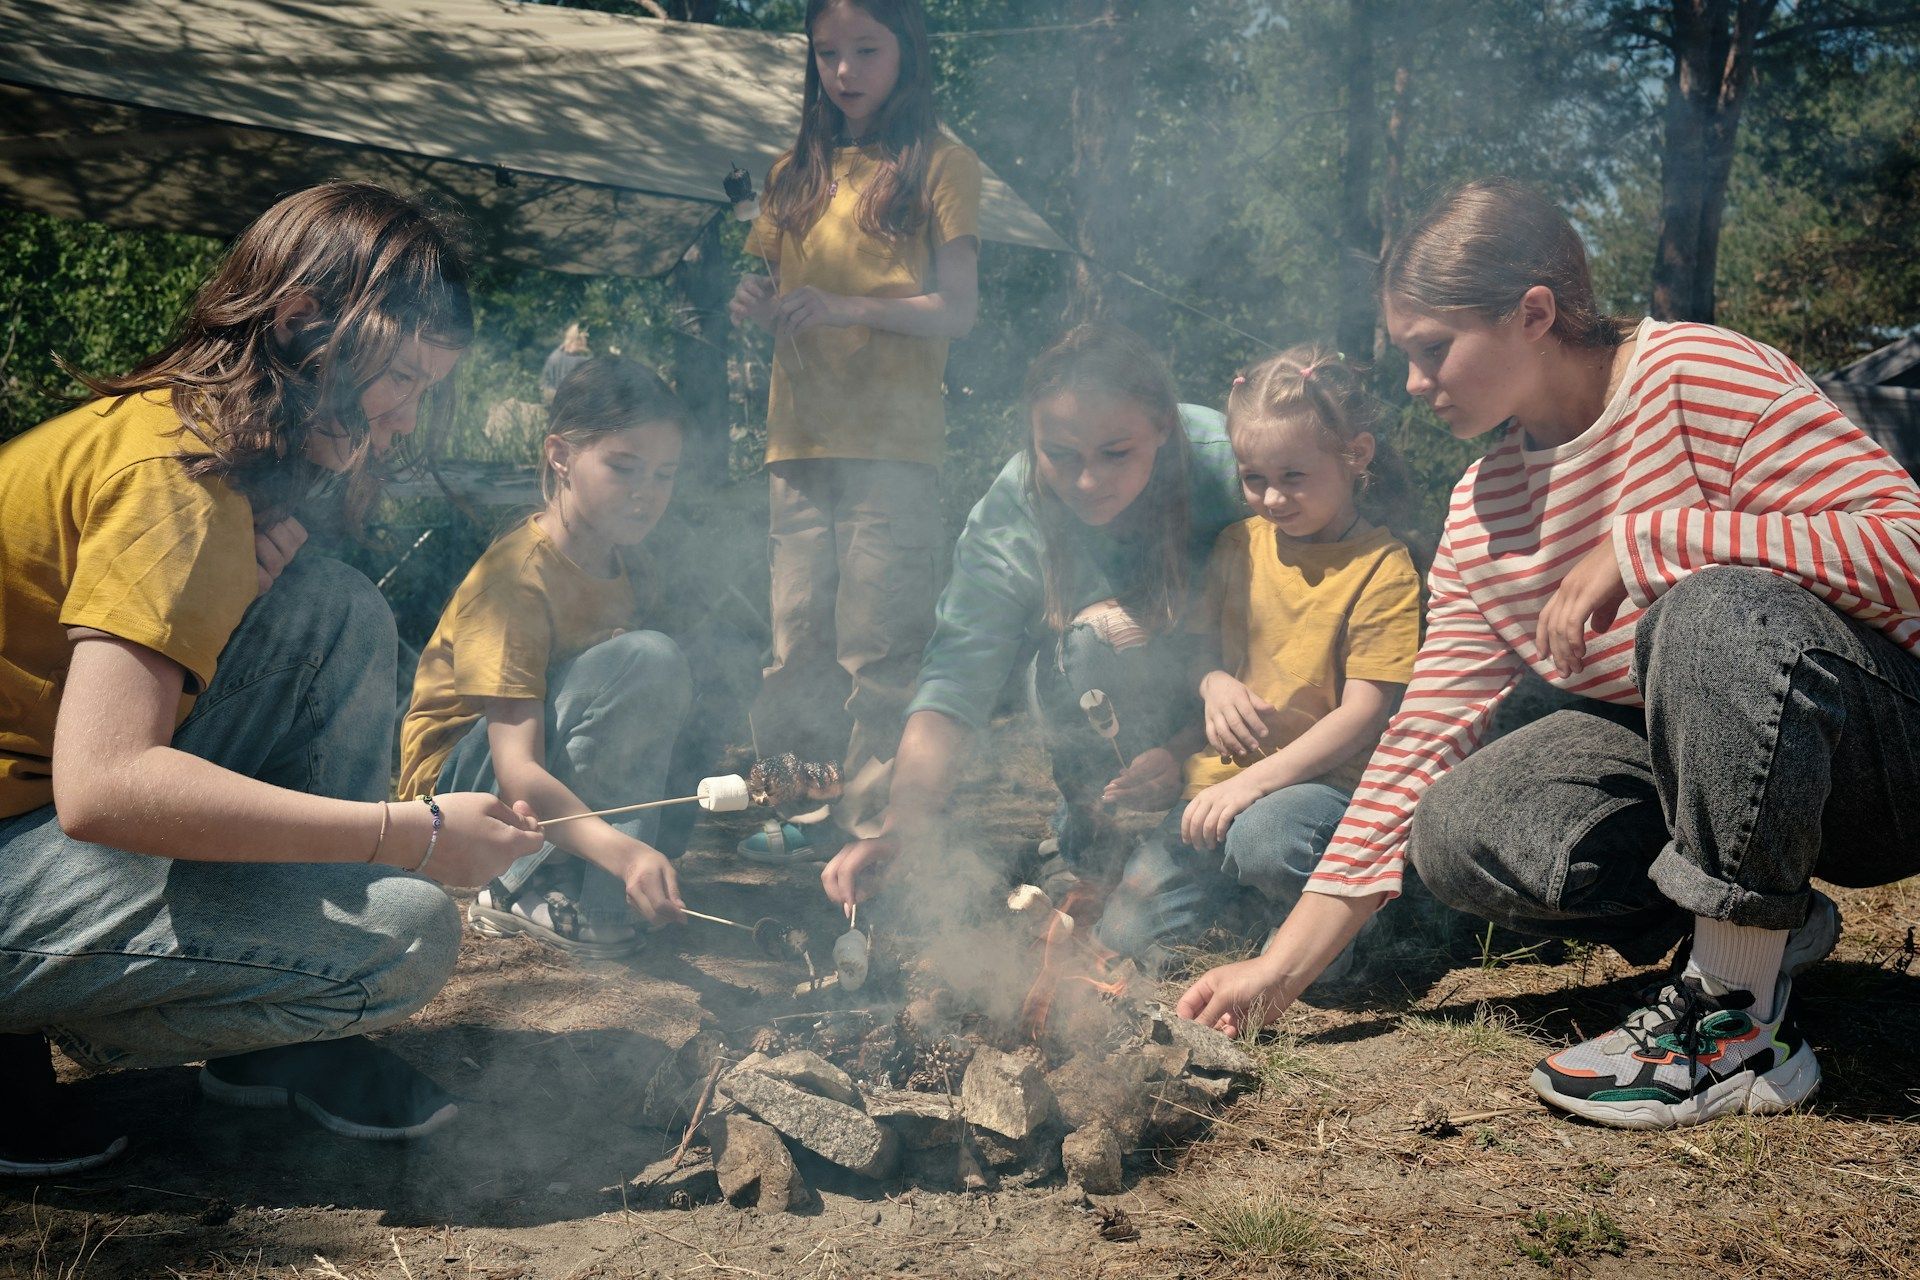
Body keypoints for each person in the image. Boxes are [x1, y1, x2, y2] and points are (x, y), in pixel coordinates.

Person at [1178, 177, 1920, 1131]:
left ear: (1533, 313)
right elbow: (1418, 741)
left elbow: (1905, 543)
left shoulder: (1695, 375)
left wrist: (1655, 540)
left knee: (1708, 610)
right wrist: (1276, 975)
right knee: (1458, 821)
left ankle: (1738, 1024)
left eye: (1431, 350)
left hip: (1881, 757)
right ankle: (1763, 925)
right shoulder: (1485, 511)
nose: (1413, 382)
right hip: (1723, 785)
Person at [0, 182, 547, 1177]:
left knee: (332, 612)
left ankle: (281, 1053)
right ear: (301, 321)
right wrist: (411, 833)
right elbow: (104, 785)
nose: (406, 421)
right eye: (401, 381)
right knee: (403, 934)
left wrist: (234, 597)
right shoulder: (175, 480)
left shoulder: (191, 446)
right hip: (24, 842)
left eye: (429, 392)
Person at [820, 323, 1247, 911]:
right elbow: (954, 685)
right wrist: (901, 831)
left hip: (1251, 701)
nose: (1089, 481)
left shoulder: (1237, 464)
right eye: (1061, 456)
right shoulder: (1009, 514)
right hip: (1117, 711)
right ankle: (1094, 840)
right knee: (1088, 641)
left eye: (1115, 453)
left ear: (1164, 425)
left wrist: (1185, 752)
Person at [728, 0, 981, 861]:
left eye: (866, 50)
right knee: (795, 640)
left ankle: (873, 832)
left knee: (876, 649)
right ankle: (794, 818)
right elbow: (776, 293)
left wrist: (841, 305)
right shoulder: (790, 171)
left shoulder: (943, 164)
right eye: (827, 52)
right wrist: (758, 305)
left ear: (906, 52)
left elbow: (958, 309)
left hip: (895, 447)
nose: (845, 70)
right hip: (796, 441)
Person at [1096, 347, 1421, 974]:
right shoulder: (1236, 546)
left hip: (1325, 794)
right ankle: (1254, 907)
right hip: (1219, 790)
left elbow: (1365, 715)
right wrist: (1213, 682)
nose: (1271, 498)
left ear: (1356, 455)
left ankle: (1355, 929)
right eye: (1253, 478)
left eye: (1293, 476)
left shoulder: (1383, 568)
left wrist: (1254, 783)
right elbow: (1201, 656)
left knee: (1265, 838)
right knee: (1126, 932)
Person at [399, 358, 692, 959]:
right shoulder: (515, 580)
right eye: (623, 467)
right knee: (649, 660)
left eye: (665, 474)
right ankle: (516, 886)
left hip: (531, 780)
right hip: (457, 800)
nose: (647, 494)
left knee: (667, 669)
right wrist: (626, 849)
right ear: (560, 455)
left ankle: (597, 892)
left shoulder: (632, 566)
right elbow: (518, 772)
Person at [539, 321, 592, 404]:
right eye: (584, 338)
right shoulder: (580, 361)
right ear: (579, 340)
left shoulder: (554, 355)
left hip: (552, 402)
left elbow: (543, 384)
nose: (586, 341)